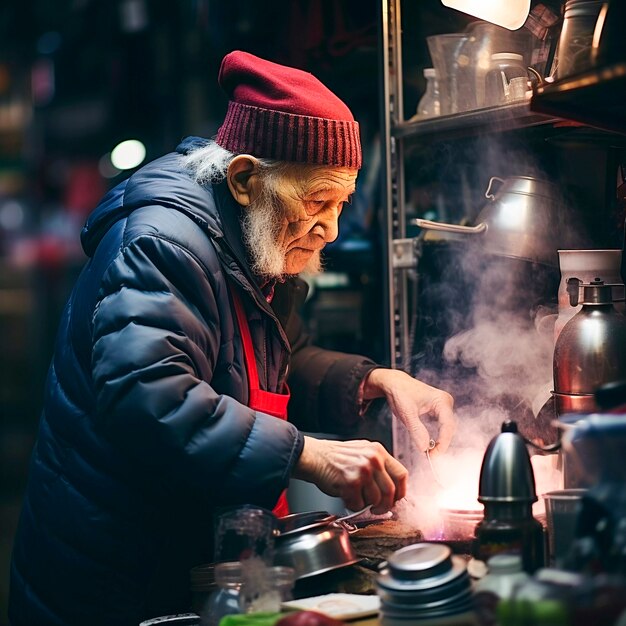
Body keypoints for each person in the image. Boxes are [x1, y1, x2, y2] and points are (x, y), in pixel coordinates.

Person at [9, 50, 455, 626]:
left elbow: (272, 360)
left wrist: (373, 379)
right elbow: (149, 399)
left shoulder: (248, 242)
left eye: (340, 204)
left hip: (174, 562)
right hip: (111, 579)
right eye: (316, 201)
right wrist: (307, 453)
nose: (332, 228)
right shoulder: (161, 245)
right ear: (245, 178)